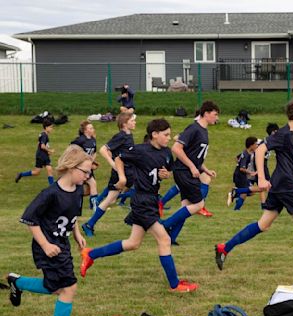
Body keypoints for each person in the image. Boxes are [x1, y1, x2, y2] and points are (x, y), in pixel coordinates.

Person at [214, 96, 293, 278]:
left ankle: (224, 248)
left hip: (280, 184)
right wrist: (261, 177)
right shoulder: (283, 134)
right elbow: (260, 150)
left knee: (263, 224)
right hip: (287, 185)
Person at [80, 119, 198, 292]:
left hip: (151, 199)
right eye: (165, 135)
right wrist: (122, 178)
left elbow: (167, 170)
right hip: (142, 200)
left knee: (133, 243)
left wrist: (166, 174)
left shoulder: (166, 152)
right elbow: (119, 159)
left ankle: (90, 254)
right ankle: (174, 285)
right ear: (154, 134)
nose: (169, 138)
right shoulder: (140, 150)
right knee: (164, 239)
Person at [7, 145, 92, 316]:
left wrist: (77, 233)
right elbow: (30, 220)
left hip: (62, 244)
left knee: (54, 287)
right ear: (71, 167)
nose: (87, 176)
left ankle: (17, 282)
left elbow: (72, 217)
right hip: (47, 246)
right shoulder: (50, 194)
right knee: (69, 287)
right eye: (85, 172)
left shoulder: (78, 190)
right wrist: (45, 245)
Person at [160, 101, 219, 245]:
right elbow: (176, 148)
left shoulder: (203, 130)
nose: (217, 118)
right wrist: (193, 167)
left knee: (185, 207)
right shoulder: (194, 128)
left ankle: (171, 238)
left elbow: (194, 155)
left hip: (188, 171)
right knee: (198, 205)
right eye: (215, 114)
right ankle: (164, 226)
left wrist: (205, 169)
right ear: (206, 113)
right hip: (184, 172)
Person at [81, 112, 136, 237]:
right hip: (121, 173)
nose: (135, 122)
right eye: (132, 120)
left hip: (129, 172)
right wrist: (113, 165)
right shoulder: (121, 136)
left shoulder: (128, 135)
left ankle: (89, 224)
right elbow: (103, 150)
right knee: (112, 199)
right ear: (124, 124)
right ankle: (90, 224)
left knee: (113, 198)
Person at [227, 136, 264, 210]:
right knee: (253, 190)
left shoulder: (247, 152)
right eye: (256, 144)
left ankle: (236, 208)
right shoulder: (246, 155)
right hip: (240, 176)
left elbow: (237, 158)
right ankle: (235, 193)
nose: (257, 146)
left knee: (247, 193)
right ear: (251, 145)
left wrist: (239, 163)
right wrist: (251, 172)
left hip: (240, 175)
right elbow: (241, 168)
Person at [15, 118, 55, 185]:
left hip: (43, 154)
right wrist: (49, 150)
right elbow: (42, 146)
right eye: (51, 127)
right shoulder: (44, 135)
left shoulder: (42, 134)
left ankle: (52, 186)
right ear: (46, 127)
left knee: (48, 169)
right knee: (37, 172)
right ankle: (21, 174)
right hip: (41, 156)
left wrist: (47, 152)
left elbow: (39, 144)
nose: (52, 129)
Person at [71, 120, 98, 210]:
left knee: (90, 187)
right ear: (85, 130)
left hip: (88, 167)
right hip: (80, 168)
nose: (93, 129)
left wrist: (91, 161)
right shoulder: (80, 140)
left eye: (92, 127)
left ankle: (91, 205)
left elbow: (94, 152)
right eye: (90, 128)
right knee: (89, 184)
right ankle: (92, 207)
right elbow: (71, 149)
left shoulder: (93, 140)